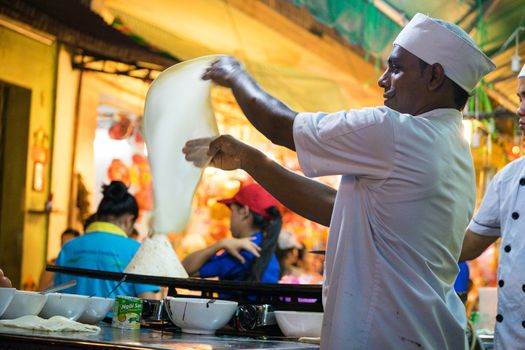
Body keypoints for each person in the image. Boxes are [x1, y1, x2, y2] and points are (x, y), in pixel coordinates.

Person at [184, 13, 495, 349]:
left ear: (434, 76)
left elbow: (279, 125)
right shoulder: (453, 149)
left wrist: (235, 74)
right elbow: (336, 207)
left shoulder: (397, 132)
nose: (383, 79)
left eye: (396, 68)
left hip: (382, 338)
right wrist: (250, 160)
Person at [459, 64, 525, 350]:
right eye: (520, 98)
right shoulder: (509, 179)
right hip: (510, 341)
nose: (520, 109)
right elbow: (467, 245)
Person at [55, 181, 159, 299]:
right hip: (116, 318)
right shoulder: (138, 251)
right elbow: (148, 301)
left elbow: (56, 294)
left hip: (68, 317)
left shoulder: (68, 247)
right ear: (128, 220)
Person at [182, 183, 281, 283]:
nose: (230, 217)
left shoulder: (241, 252)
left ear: (244, 212)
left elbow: (185, 270)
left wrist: (221, 244)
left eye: (232, 211)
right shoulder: (264, 247)